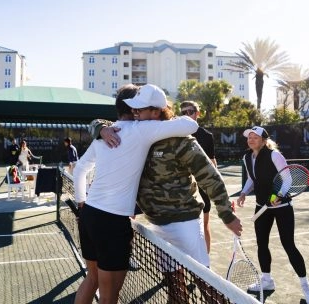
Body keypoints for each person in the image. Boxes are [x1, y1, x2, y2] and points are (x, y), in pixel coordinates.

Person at [90, 95, 243, 303]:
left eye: (139, 110)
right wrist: (100, 127)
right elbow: (99, 123)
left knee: (206, 285)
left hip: (185, 222)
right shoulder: (136, 133)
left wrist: (227, 215)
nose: (134, 114)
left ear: (155, 112)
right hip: (157, 224)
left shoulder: (181, 140)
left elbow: (210, 177)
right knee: (174, 286)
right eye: (133, 111)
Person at [73, 84, 199, 304]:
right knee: (110, 297)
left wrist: (81, 200)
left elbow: (80, 170)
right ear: (134, 108)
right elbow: (191, 124)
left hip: (88, 217)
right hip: (112, 223)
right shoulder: (144, 129)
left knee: (91, 279)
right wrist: (164, 113)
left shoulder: (102, 135)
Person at [237, 126, 309, 303]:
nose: (251, 139)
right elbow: (251, 178)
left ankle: (306, 288)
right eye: (249, 137)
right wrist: (243, 192)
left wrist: (278, 196)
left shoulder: (274, 155)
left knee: (288, 244)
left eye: (255, 137)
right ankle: (267, 280)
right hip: (261, 207)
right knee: (262, 244)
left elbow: (287, 180)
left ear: (264, 140)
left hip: (282, 207)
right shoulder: (247, 157)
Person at [180, 100, 217, 254]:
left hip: (202, 187)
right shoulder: (176, 133)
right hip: (182, 189)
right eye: (183, 112)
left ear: (197, 113)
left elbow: (212, 162)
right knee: (183, 229)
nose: (187, 115)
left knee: (204, 225)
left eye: (190, 111)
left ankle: (205, 267)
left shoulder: (207, 136)